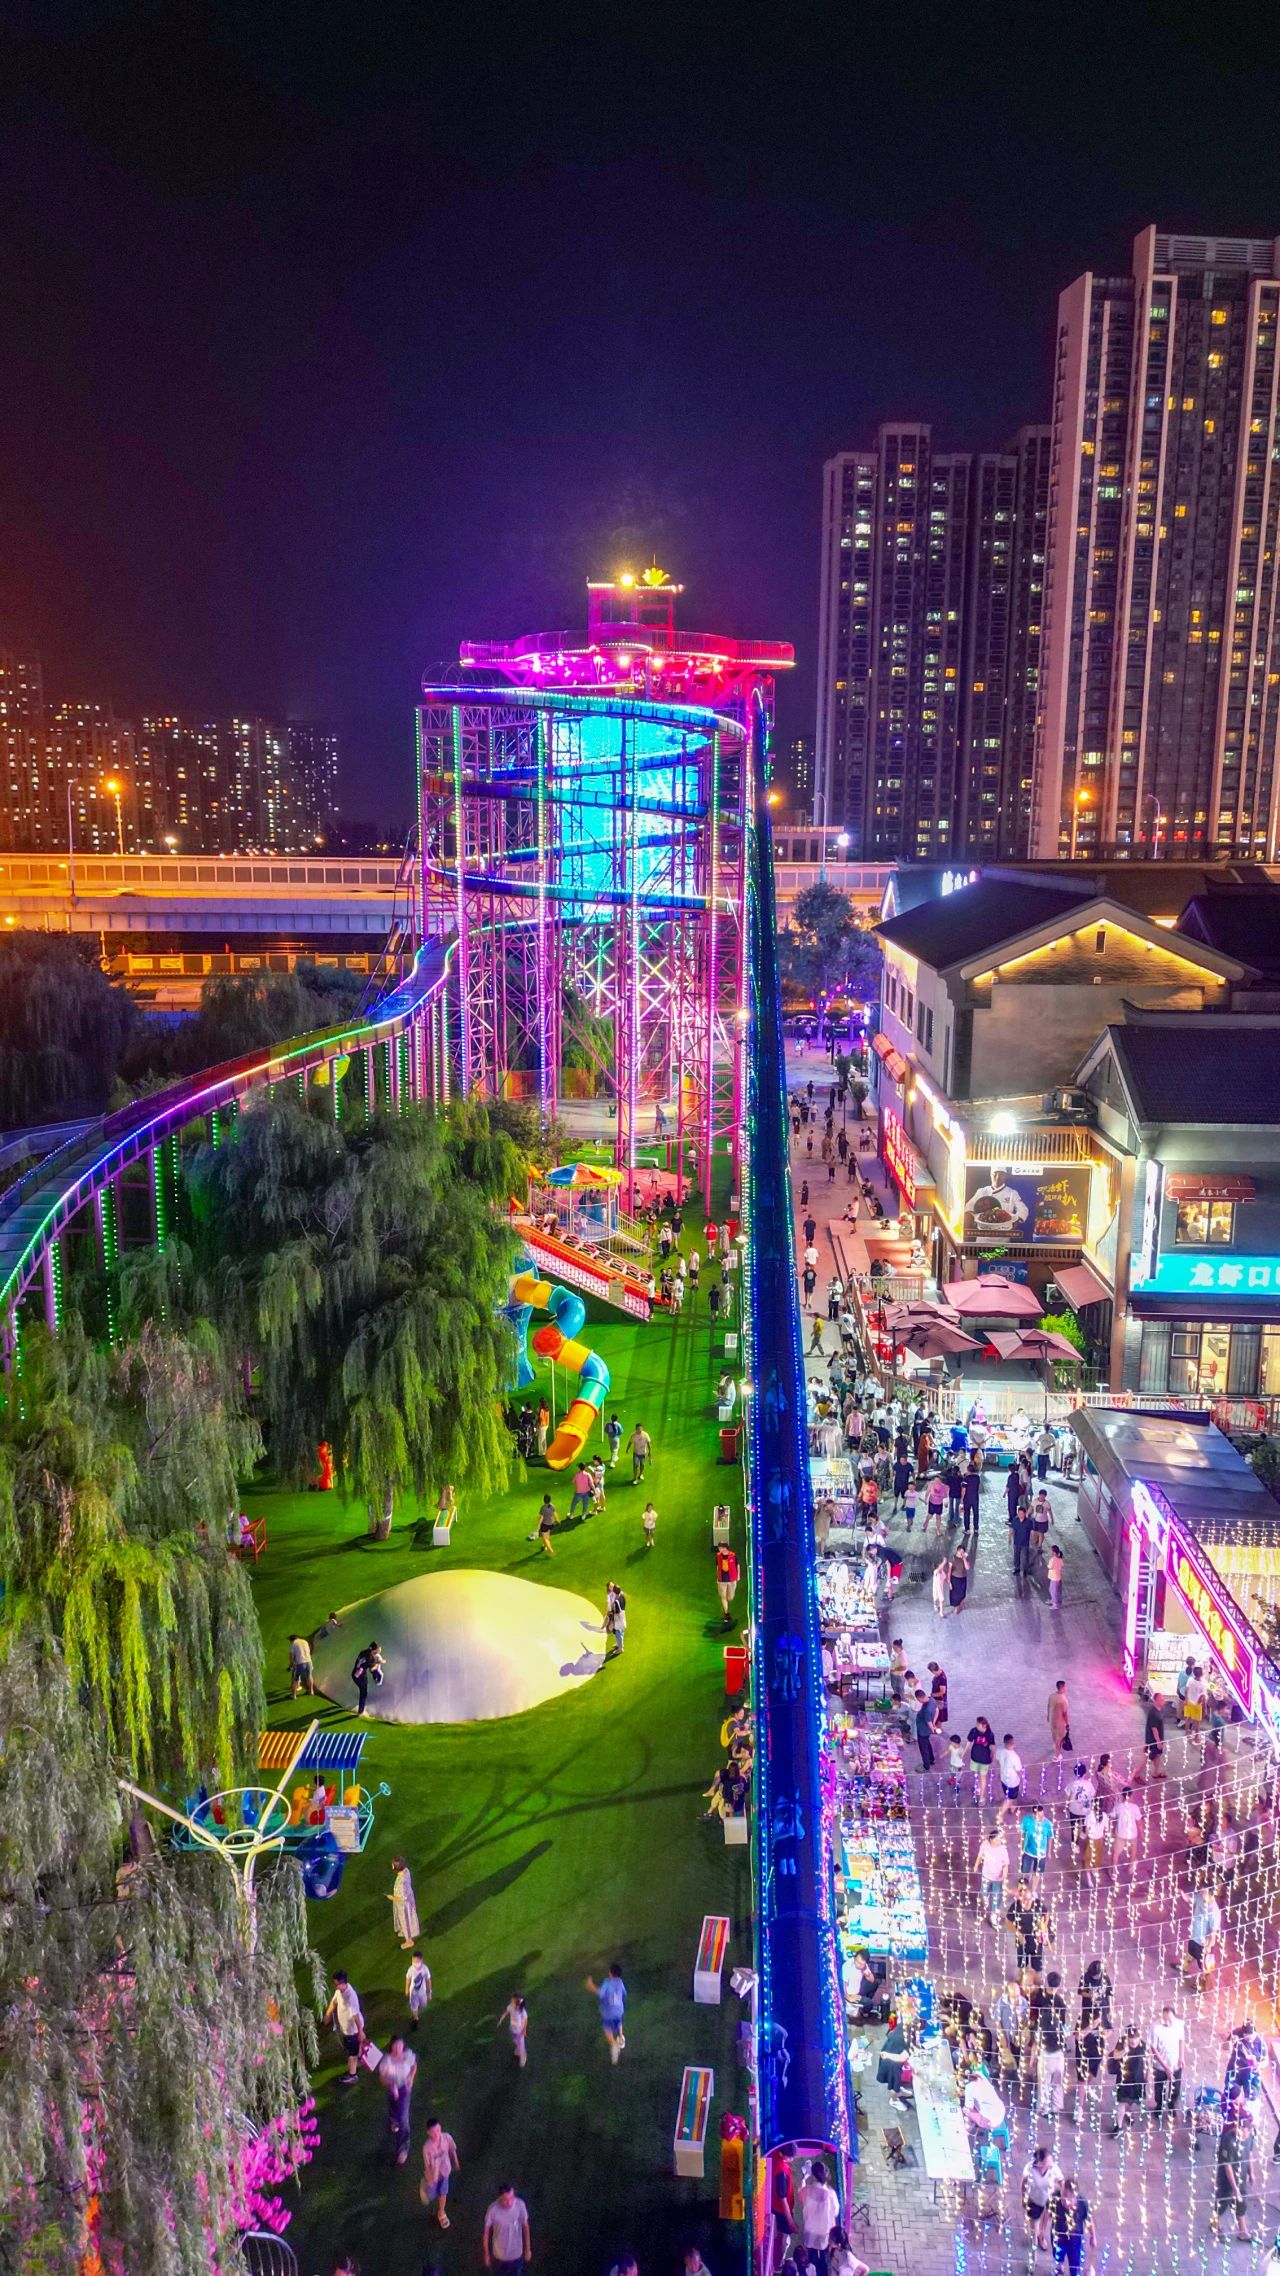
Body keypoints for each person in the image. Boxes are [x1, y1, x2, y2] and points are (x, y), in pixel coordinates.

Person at [1031, 1970, 1069, 2115]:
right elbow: (1065, 2028)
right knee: (1057, 2083)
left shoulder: (1039, 1996)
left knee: (1044, 2083)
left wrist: (1032, 2058)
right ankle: (1056, 2107)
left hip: (1045, 2054)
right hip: (1058, 2054)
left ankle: (1044, 2109)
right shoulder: (1060, 2003)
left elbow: (1036, 2041)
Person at [378, 2034, 417, 2165]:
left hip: (405, 2088)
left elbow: (414, 2066)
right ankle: (393, 2121)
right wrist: (391, 2085)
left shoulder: (407, 2055)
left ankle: (403, 2148)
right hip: (392, 2088)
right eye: (395, 2046)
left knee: (403, 2118)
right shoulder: (387, 2060)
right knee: (393, 2106)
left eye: (400, 2045)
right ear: (391, 2046)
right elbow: (382, 2077)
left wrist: (411, 2077)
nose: (398, 2048)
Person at [1213, 2119, 1254, 2243]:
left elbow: (1249, 2154)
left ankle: (1243, 2231)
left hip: (1241, 2176)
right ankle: (1215, 2224)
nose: (1241, 2134)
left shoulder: (1250, 2137)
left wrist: (1251, 2172)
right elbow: (1227, 2166)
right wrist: (1235, 2189)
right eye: (1239, 2130)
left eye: (1244, 2132)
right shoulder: (1228, 2140)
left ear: (1249, 2131)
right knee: (1223, 2201)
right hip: (1226, 2178)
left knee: (1241, 2202)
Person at [1006, 1880, 1051, 1986]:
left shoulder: (1037, 1904)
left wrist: (1043, 1929)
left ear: (1030, 1892)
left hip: (1037, 1942)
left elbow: (1046, 1914)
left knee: (1037, 1967)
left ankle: (1037, 1985)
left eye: (1025, 1890)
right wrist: (1018, 1933)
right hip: (1022, 1942)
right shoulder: (1016, 1906)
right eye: (1020, 1890)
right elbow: (1008, 1921)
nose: (1022, 1893)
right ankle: (1022, 1984)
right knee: (1022, 1966)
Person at [796, 2159, 840, 2265]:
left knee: (812, 2255)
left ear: (813, 2175)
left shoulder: (807, 2190)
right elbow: (835, 2212)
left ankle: (813, 2269)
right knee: (825, 2255)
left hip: (810, 2230)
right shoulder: (831, 2194)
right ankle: (824, 2270)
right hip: (825, 2232)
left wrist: (803, 2179)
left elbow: (800, 2197)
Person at [324, 1969, 364, 2084]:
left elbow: (356, 2016)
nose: (334, 1986)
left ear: (342, 1983)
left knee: (352, 2055)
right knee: (354, 2049)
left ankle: (352, 2075)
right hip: (347, 2030)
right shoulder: (339, 1991)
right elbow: (333, 2002)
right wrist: (328, 2015)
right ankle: (359, 2058)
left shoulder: (351, 1997)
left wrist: (360, 2031)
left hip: (353, 2031)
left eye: (336, 1984)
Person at [1048, 2177, 1096, 2274]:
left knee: (1075, 2265)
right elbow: (1047, 2212)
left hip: (1075, 2240)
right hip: (1058, 2237)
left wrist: (1093, 2236)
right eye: (1062, 2193)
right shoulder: (1055, 2198)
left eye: (1066, 2196)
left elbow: (1089, 2220)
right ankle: (1059, 2268)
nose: (1062, 2198)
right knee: (1058, 2258)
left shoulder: (1082, 2204)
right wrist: (1041, 2229)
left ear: (1074, 2196)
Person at [1022, 2146, 1063, 2254]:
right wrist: (1023, 2198)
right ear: (1040, 2162)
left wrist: (1063, 2197)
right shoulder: (1030, 2169)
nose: (1051, 2163)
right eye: (1048, 2161)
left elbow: (1061, 2181)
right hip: (1034, 2201)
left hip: (1049, 2202)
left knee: (1044, 2223)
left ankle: (1041, 2236)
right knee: (1034, 2225)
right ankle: (1034, 2243)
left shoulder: (1054, 2169)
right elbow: (1024, 2183)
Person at [483, 2184, 532, 2270]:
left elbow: (526, 2227)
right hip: (499, 2256)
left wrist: (528, 2249)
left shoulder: (520, 2205)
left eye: (511, 2198)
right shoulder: (493, 2209)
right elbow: (486, 2232)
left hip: (516, 2255)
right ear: (500, 2198)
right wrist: (486, 2254)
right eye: (505, 2200)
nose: (509, 2203)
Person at [586, 1963, 628, 2063]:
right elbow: (624, 1993)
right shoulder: (620, 1982)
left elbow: (600, 1993)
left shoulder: (607, 1982)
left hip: (608, 2011)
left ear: (610, 1972)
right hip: (619, 2010)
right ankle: (621, 2037)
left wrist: (591, 1985)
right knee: (618, 2021)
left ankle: (614, 2045)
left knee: (607, 2029)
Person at [1183, 1882, 1223, 1989]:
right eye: (1201, 1891)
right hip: (1194, 1936)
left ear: (1211, 1893)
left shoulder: (1214, 1912)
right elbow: (1190, 1900)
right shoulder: (1200, 1899)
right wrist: (1182, 1893)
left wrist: (1208, 1946)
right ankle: (1184, 1968)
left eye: (1204, 1892)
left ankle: (1203, 1984)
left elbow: (1213, 1933)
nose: (1201, 1893)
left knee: (1204, 1966)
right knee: (1190, 1953)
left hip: (1203, 1943)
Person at [1151, 2005, 1185, 2117]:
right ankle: (1159, 2106)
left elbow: (1181, 2040)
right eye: (1164, 2019)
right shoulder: (1155, 2027)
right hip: (1160, 2066)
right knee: (1159, 2088)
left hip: (1175, 2064)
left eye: (1169, 2019)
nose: (1167, 2022)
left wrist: (1181, 2057)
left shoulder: (1179, 2025)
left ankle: (1171, 2105)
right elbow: (1154, 2049)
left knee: (1175, 2088)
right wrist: (1165, 2067)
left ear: (1174, 2017)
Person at [975, 1825, 1011, 1926]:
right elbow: (980, 1856)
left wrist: (1004, 1877)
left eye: (1000, 1839)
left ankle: (993, 1916)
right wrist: (976, 1865)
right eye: (996, 1840)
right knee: (983, 1892)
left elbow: (1006, 1865)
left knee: (996, 1897)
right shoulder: (985, 1845)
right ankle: (985, 1900)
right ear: (991, 1840)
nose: (999, 1841)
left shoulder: (1003, 1850)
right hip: (986, 1876)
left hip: (998, 1879)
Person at [1064, 1760, 1095, 1857]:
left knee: (1074, 1827)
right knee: (1085, 1822)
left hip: (1074, 1809)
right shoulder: (1089, 1784)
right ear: (1085, 1773)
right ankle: (1083, 1832)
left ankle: (1075, 1844)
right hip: (1086, 1810)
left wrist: (1066, 1806)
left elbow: (1067, 1796)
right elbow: (1092, 1795)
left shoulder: (1071, 1784)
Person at [389, 1856, 420, 1949]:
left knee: (405, 1921)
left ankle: (409, 1941)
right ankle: (404, 1931)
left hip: (403, 1906)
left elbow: (402, 1898)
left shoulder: (401, 1882)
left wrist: (392, 1898)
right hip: (409, 1900)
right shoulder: (406, 1871)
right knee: (406, 1920)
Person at [1112, 1784, 1141, 1874]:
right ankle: (1131, 1867)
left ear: (1123, 1795)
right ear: (1131, 1796)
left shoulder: (1118, 1806)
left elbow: (1113, 1818)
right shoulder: (1135, 1807)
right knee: (1133, 1850)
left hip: (1120, 1833)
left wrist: (1112, 1830)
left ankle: (1114, 1871)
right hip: (1132, 1834)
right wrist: (1142, 1833)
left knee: (1116, 1853)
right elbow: (1139, 1822)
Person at [966, 1715, 996, 1804]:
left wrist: (993, 1756)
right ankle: (978, 1788)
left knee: (983, 1777)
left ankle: (982, 1797)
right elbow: (968, 1742)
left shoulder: (989, 1734)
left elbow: (992, 1746)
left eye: (978, 1724)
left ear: (984, 1725)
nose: (976, 1725)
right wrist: (963, 1753)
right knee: (975, 1774)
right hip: (974, 1757)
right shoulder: (974, 1731)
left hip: (984, 1760)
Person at [1020, 1803, 1053, 1878]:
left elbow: (1050, 1837)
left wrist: (1049, 1852)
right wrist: (1022, 1847)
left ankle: (1033, 1886)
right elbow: (1023, 1834)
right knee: (1024, 1871)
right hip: (1028, 1851)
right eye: (1039, 1816)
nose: (1042, 1818)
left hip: (1041, 1854)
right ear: (1034, 1814)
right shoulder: (1026, 1820)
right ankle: (1024, 1883)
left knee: (1037, 1874)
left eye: (1043, 1815)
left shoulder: (1048, 1824)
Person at [351, 1641, 381, 1717]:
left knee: (363, 1691)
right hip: (361, 1677)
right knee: (363, 1693)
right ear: (375, 1650)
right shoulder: (371, 1658)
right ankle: (360, 1712)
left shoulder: (363, 1652)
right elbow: (371, 1669)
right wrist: (377, 1664)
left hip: (354, 1674)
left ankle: (360, 1710)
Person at [499, 1993, 528, 2067]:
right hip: (512, 2028)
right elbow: (507, 2011)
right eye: (511, 2000)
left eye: (513, 2001)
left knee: (521, 2044)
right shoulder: (510, 2007)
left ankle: (523, 2056)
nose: (511, 2002)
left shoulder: (522, 2011)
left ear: (518, 2005)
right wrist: (502, 2018)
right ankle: (518, 2048)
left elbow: (525, 2020)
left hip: (519, 2031)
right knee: (514, 2040)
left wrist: (524, 2029)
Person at [405, 1949, 432, 2028]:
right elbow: (408, 1979)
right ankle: (415, 2018)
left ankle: (417, 2008)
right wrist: (406, 1989)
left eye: (416, 1961)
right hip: (413, 1993)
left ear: (421, 1960)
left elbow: (428, 1980)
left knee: (423, 2004)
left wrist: (429, 1992)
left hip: (423, 1992)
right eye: (413, 1961)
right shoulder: (411, 1969)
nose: (414, 1963)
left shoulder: (425, 1969)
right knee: (414, 2006)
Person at [715, 1543, 740, 1626]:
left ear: (725, 1548)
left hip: (732, 1578)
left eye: (720, 1548)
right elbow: (718, 1566)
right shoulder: (718, 1555)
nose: (719, 1549)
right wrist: (717, 1577)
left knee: (730, 1597)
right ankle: (726, 1613)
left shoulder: (733, 1555)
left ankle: (727, 1607)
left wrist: (738, 1575)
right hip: (722, 1579)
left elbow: (737, 1565)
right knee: (723, 1597)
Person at [996, 1732, 1024, 1803]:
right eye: (1013, 1743)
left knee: (1007, 1795)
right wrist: (1023, 1779)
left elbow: (997, 1761)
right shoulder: (1015, 1757)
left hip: (1003, 1779)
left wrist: (1000, 1772)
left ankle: (1009, 1804)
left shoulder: (999, 1749)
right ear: (1011, 1744)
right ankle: (1009, 1807)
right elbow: (1018, 1771)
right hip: (1013, 1783)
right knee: (1012, 1799)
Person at [914, 1688, 935, 1772]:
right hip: (926, 1730)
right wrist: (934, 1723)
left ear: (919, 1698)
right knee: (927, 1744)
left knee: (923, 1748)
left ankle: (926, 1766)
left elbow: (929, 1722)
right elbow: (937, 1710)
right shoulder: (932, 1700)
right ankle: (931, 1759)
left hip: (923, 1731)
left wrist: (933, 1729)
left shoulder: (927, 1710)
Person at [1047, 1679, 1071, 1753]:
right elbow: (1065, 1714)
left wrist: (1048, 1716)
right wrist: (1067, 1724)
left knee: (1054, 1735)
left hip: (1052, 1720)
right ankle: (1057, 1755)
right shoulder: (1063, 1700)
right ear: (1062, 1687)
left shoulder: (1051, 1696)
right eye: (1065, 1686)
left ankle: (1055, 1745)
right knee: (1060, 1738)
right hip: (1059, 1723)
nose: (1066, 1688)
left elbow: (1048, 1706)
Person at [605, 1581, 627, 1657]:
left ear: (615, 1592)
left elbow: (616, 1612)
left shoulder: (616, 1602)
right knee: (621, 1631)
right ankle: (619, 1644)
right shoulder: (622, 1595)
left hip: (618, 1619)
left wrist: (610, 1615)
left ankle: (620, 1649)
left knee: (618, 1633)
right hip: (623, 1615)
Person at [948, 1545, 970, 1614]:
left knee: (962, 1593)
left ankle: (961, 1603)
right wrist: (949, 1581)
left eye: (962, 1552)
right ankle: (956, 1607)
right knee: (955, 1595)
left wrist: (964, 1559)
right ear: (957, 1551)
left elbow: (967, 1568)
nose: (961, 1553)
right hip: (955, 1579)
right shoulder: (953, 1558)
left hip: (963, 1578)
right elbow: (949, 1571)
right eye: (960, 1551)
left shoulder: (965, 1558)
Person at [1047, 1542, 1065, 1609]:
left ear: (1054, 1552)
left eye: (1051, 1551)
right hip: (1057, 1577)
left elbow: (1049, 1567)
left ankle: (1055, 1604)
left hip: (1054, 1577)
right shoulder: (1060, 1559)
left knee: (1053, 1591)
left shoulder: (1052, 1559)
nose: (1050, 1552)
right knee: (1052, 1590)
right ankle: (1053, 1600)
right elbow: (1062, 1565)